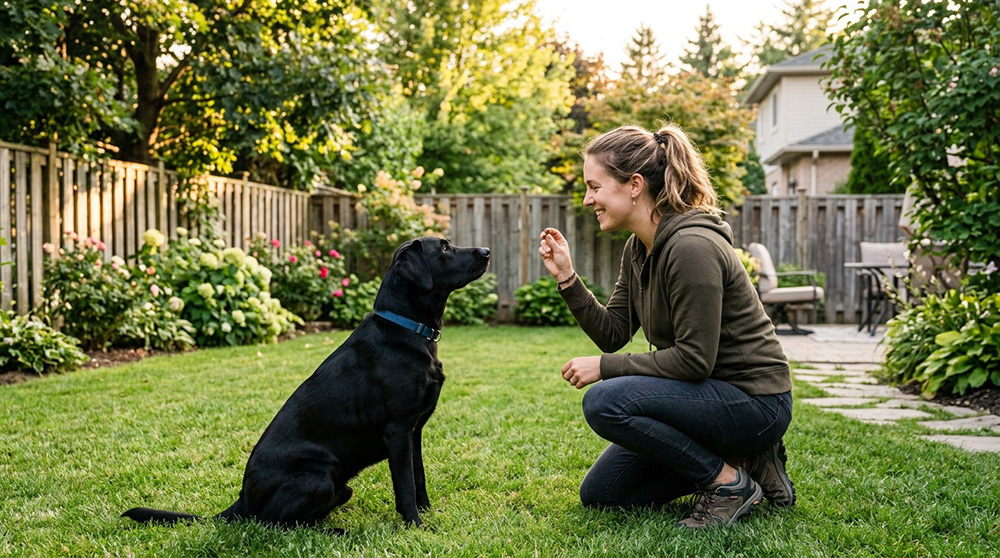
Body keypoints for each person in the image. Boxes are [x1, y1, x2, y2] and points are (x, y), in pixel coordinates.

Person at [537, 124, 795, 529]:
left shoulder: (693, 248)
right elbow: (614, 331)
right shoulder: (639, 247)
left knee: (604, 401)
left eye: (595, 186)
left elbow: (694, 361)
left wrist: (605, 368)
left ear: (634, 184)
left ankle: (729, 482)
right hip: (705, 400)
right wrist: (568, 280)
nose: (588, 199)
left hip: (755, 402)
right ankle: (748, 461)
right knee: (604, 495)